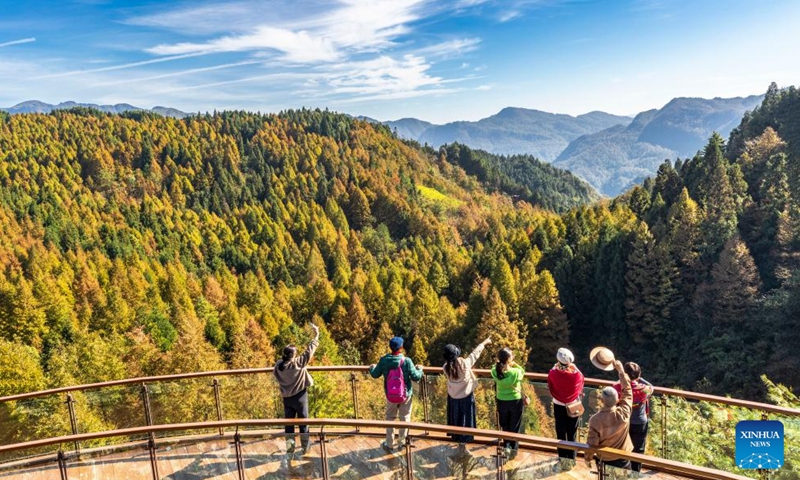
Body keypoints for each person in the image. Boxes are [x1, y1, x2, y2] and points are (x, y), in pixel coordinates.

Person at [369, 336, 424, 451]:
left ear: (390, 347)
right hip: (405, 395)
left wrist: (371, 367)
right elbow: (416, 377)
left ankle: (389, 443)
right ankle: (401, 443)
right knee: (404, 417)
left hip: (390, 395)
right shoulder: (407, 361)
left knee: (390, 418)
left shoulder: (384, 360)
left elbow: (375, 374)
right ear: (401, 348)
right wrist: (420, 369)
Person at [273, 323, 320, 455]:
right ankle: (305, 447)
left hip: (286, 398)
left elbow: (277, 371)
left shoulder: (278, 365)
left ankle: (290, 449)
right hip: (300, 397)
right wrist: (316, 335)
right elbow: (310, 351)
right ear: (293, 355)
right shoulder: (298, 363)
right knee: (303, 423)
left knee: (289, 426)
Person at [586, 359, 633, 471]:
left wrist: (588, 458)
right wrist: (621, 371)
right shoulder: (624, 413)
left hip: (605, 458)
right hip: (623, 456)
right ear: (617, 400)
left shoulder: (595, 420)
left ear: (601, 400)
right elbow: (627, 391)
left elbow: (592, 443)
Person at [443, 337, 492, 444]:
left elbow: (452, 366)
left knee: (456, 417)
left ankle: (456, 437)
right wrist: (484, 343)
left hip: (453, 397)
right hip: (466, 396)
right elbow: (475, 354)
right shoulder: (465, 364)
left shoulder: (445, 368)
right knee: (466, 417)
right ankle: (466, 438)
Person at [613, 362, 654, 472]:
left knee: (623, 448)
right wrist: (638, 378)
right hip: (640, 422)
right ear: (638, 375)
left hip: (624, 422)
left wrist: (624, 378)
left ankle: (622, 472)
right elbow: (652, 387)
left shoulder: (617, 388)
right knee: (638, 449)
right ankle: (635, 473)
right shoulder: (644, 389)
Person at [547, 347, 585, 466]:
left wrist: (555, 367)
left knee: (560, 432)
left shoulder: (553, 373)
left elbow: (551, 384)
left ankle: (562, 458)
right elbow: (581, 378)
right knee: (572, 432)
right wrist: (574, 367)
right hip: (573, 405)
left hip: (558, 405)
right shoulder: (576, 376)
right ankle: (572, 459)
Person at [490, 348, 526, 455]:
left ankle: (506, 446)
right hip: (515, 401)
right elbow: (522, 372)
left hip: (501, 400)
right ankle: (514, 449)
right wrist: (515, 365)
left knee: (504, 424)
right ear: (509, 359)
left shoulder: (494, 371)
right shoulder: (515, 372)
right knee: (514, 425)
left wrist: (502, 363)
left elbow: (493, 367)